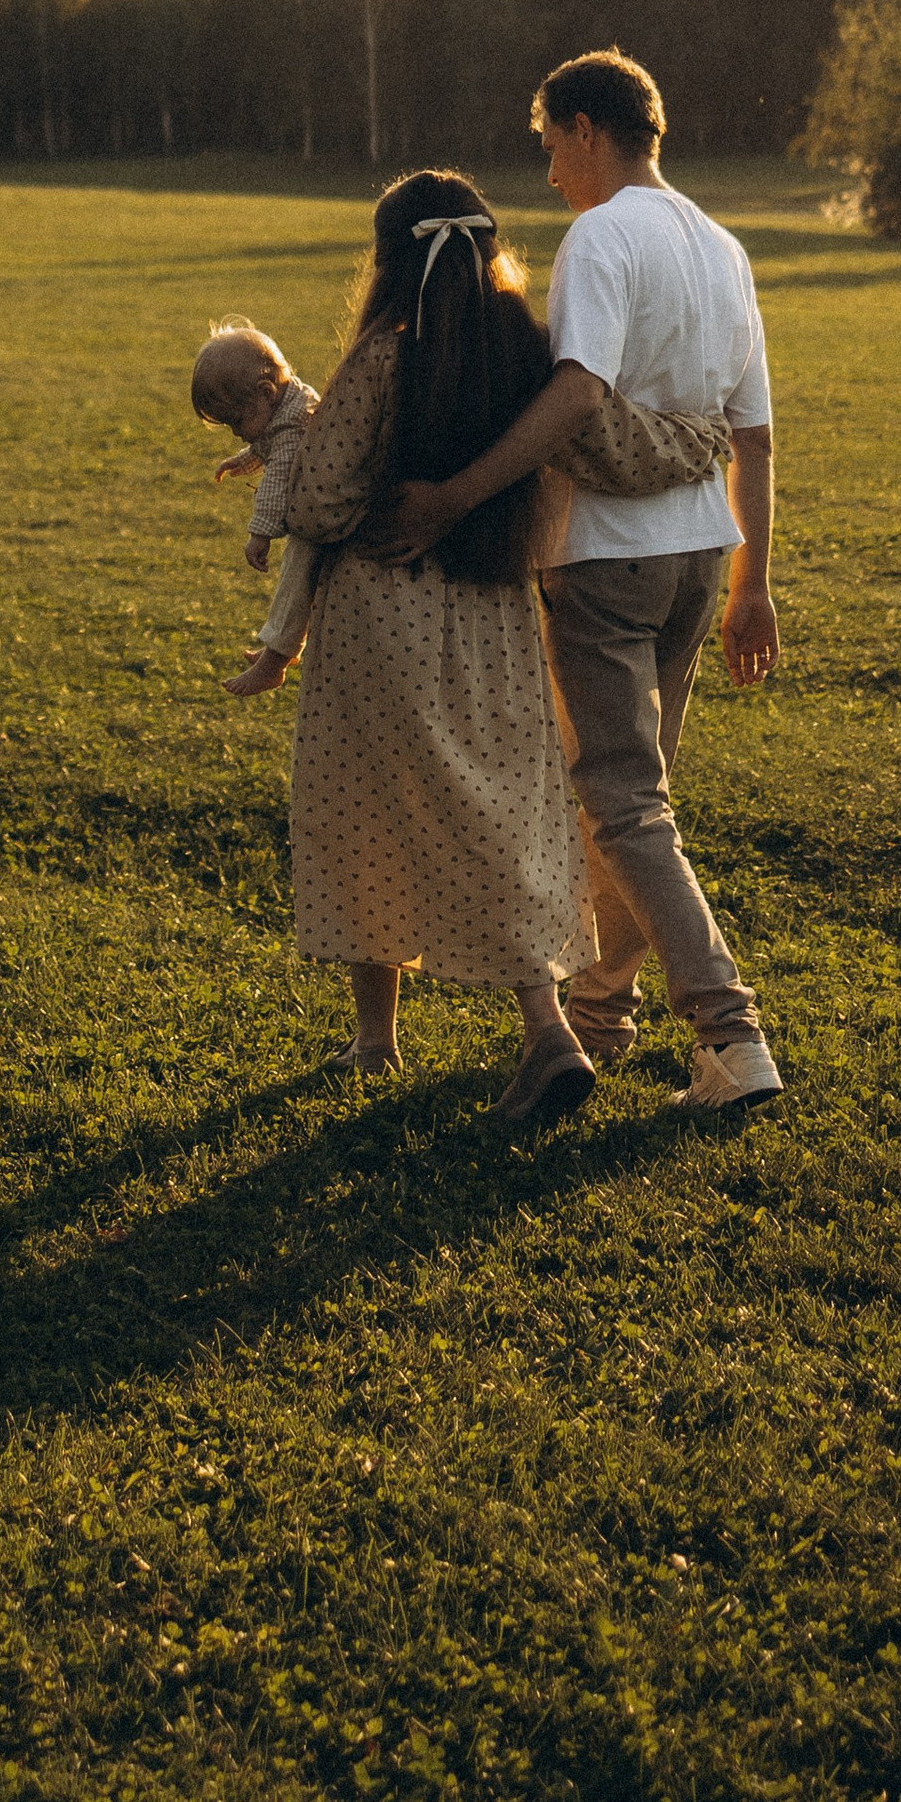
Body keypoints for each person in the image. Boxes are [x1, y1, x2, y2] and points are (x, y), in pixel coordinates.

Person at [368, 51, 783, 1114]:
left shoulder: (602, 236)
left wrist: (456, 496)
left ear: (589, 128)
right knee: (633, 804)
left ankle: (731, 1039)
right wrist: (752, 584)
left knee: (622, 806)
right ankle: (597, 1014)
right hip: (700, 552)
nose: (549, 167)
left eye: (550, 140)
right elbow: (755, 435)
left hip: (606, 554)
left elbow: (574, 397)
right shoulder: (722, 246)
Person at [274, 169, 599, 1125]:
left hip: (384, 619)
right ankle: (539, 1021)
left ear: (389, 262)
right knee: (489, 812)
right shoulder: (525, 351)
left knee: (367, 813)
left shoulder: (388, 356)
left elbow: (320, 501)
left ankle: (398, 1038)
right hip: (494, 618)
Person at [190, 321, 322, 693]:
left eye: (236, 420)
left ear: (266, 393)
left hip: (338, 517)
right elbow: (268, 447)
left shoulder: (293, 425)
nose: (237, 431)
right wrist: (243, 461)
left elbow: (278, 478)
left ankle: (275, 661)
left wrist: (259, 534)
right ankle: (279, 650)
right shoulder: (287, 407)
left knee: (298, 571)